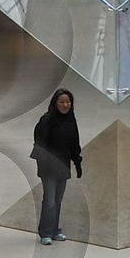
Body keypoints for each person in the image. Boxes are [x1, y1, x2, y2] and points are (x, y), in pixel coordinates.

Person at [30, 88, 82, 243]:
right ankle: (45, 231)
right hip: (48, 167)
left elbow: (74, 143)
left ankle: (55, 229)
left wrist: (77, 162)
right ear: (55, 103)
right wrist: (44, 164)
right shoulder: (46, 121)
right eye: (62, 102)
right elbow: (39, 144)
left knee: (58, 200)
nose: (65, 105)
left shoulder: (71, 120)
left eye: (68, 102)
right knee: (50, 200)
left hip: (63, 166)